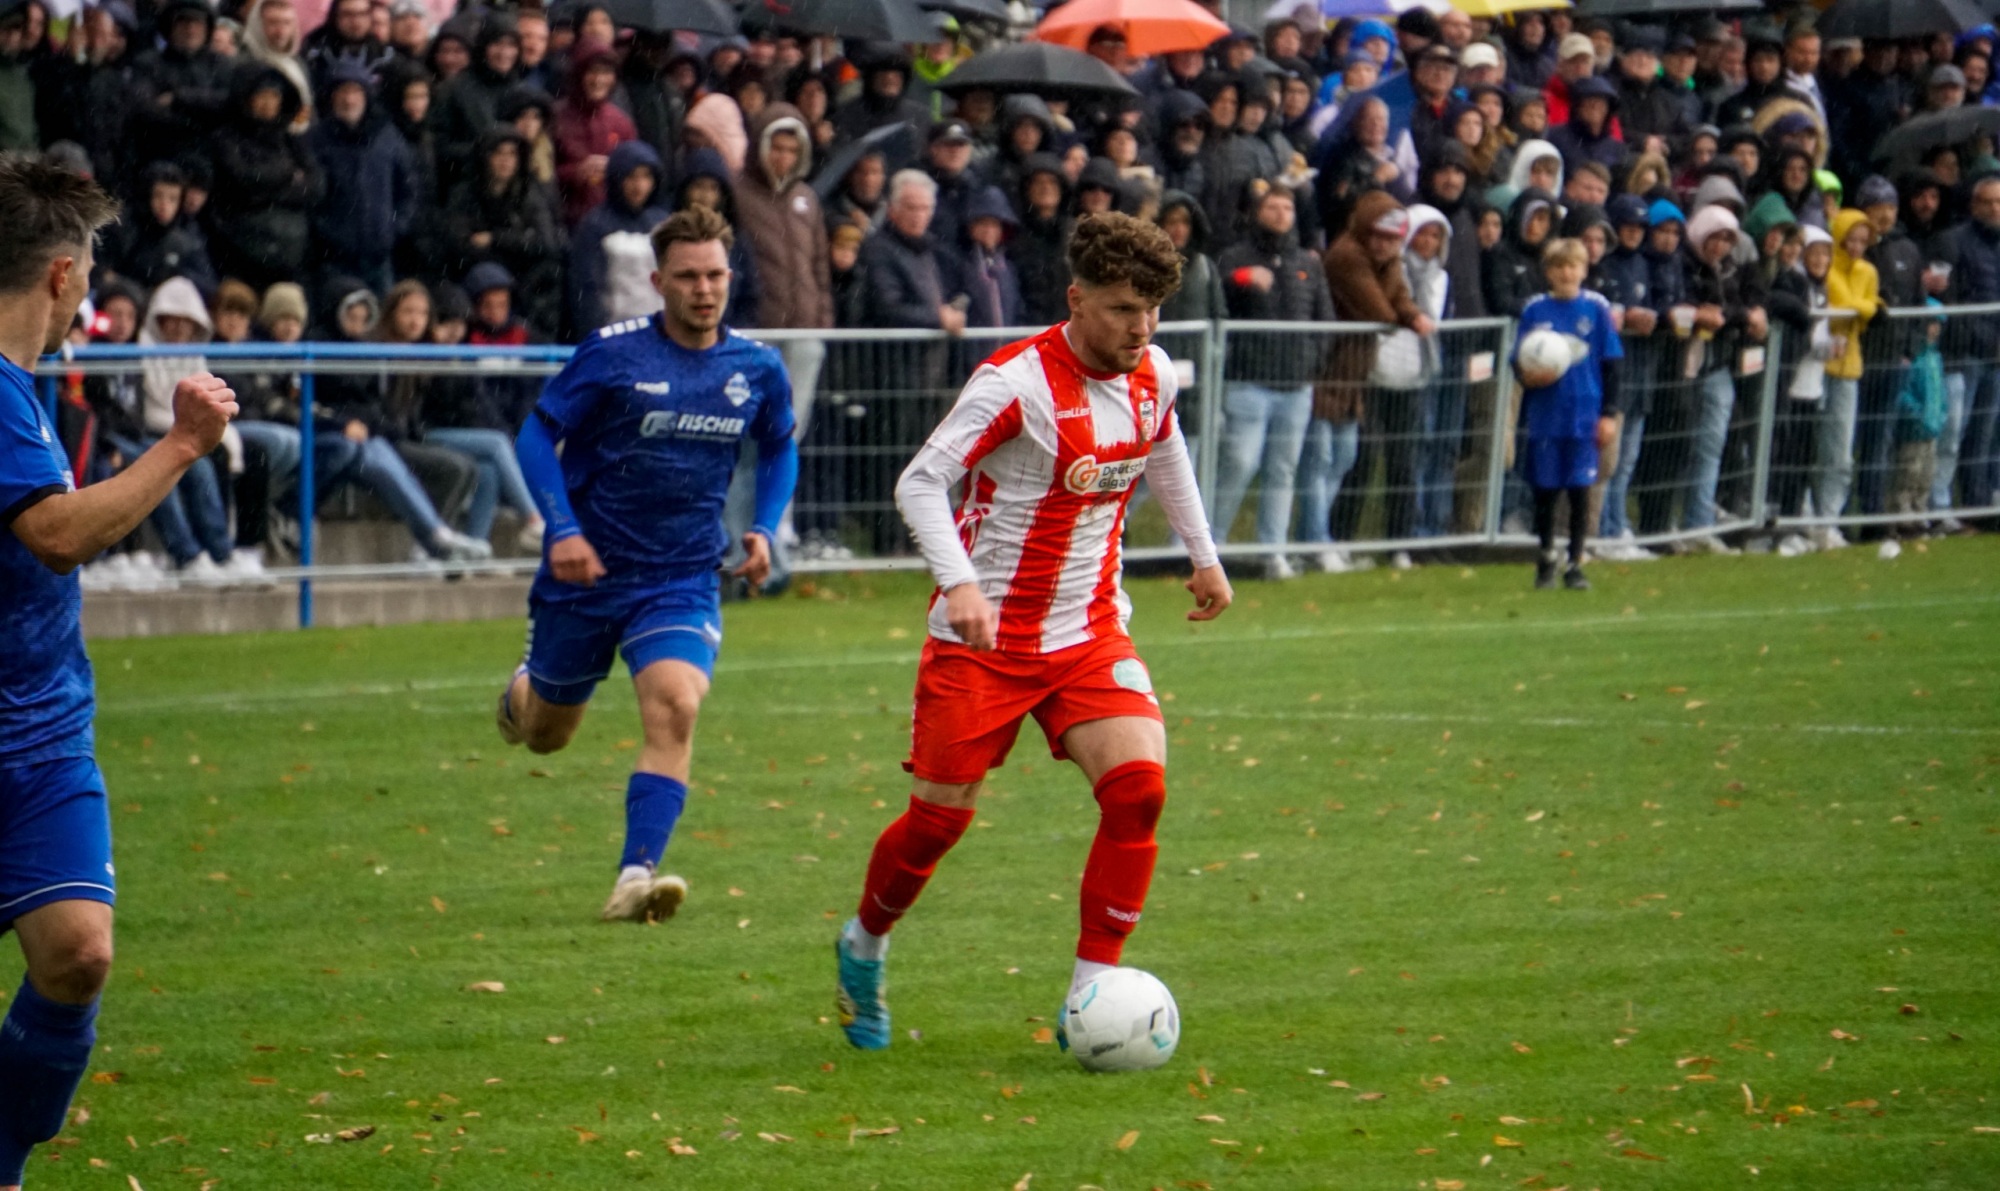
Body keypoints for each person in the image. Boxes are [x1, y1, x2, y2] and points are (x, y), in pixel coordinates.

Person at [831, 212, 1231, 1052]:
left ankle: (1091, 994)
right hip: (985, 644)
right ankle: (864, 941)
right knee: (938, 822)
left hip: (1090, 631)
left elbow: (1164, 448)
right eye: (1123, 309)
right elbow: (920, 483)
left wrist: (1203, 554)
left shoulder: (1154, 371)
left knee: (1139, 789)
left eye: (1152, 309)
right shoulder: (1014, 384)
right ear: (1076, 300)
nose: (1142, 328)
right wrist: (960, 584)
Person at [0, 158, 236, 1190]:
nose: (87, 297)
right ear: (58, 274)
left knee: (79, 951)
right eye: (88, 274)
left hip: (44, 735)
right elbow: (56, 534)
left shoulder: (20, 392)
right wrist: (182, 444)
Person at [494, 206, 797, 924]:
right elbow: (536, 436)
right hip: (586, 574)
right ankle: (522, 693)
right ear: (659, 282)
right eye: (688, 277)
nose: (704, 289)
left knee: (677, 707)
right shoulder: (612, 354)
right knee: (546, 734)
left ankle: (636, 875)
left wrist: (762, 528)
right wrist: (562, 530)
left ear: (730, 277)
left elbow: (780, 444)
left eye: (715, 275)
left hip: (680, 576)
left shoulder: (756, 367)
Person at [1212, 179, 1335, 579]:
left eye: (1287, 207)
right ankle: (1208, 546)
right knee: (1239, 463)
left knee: (1283, 470)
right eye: (1273, 207)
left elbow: (1324, 320)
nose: (1281, 214)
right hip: (1249, 381)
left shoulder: (1308, 264)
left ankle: (1273, 551)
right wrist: (1240, 280)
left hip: (1296, 386)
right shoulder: (1235, 257)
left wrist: (1311, 361)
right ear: (1257, 213)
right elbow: (1217, 302)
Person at [1515, 237, 1623, 590]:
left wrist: (1608, 413)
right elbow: (1518, 361)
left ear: (1584, 270)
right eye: (1559, 267)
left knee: (1580, 490)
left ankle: (1575, 564)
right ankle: (1546, 556)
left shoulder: (1595, 309)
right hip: (1546, 414)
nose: (1566, 273)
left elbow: (1612, 365)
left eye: (1573, 266)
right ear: (1548, 272)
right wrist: (1527, 376)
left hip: (1584, 414)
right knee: (1546, 490)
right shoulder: (1535, 311)